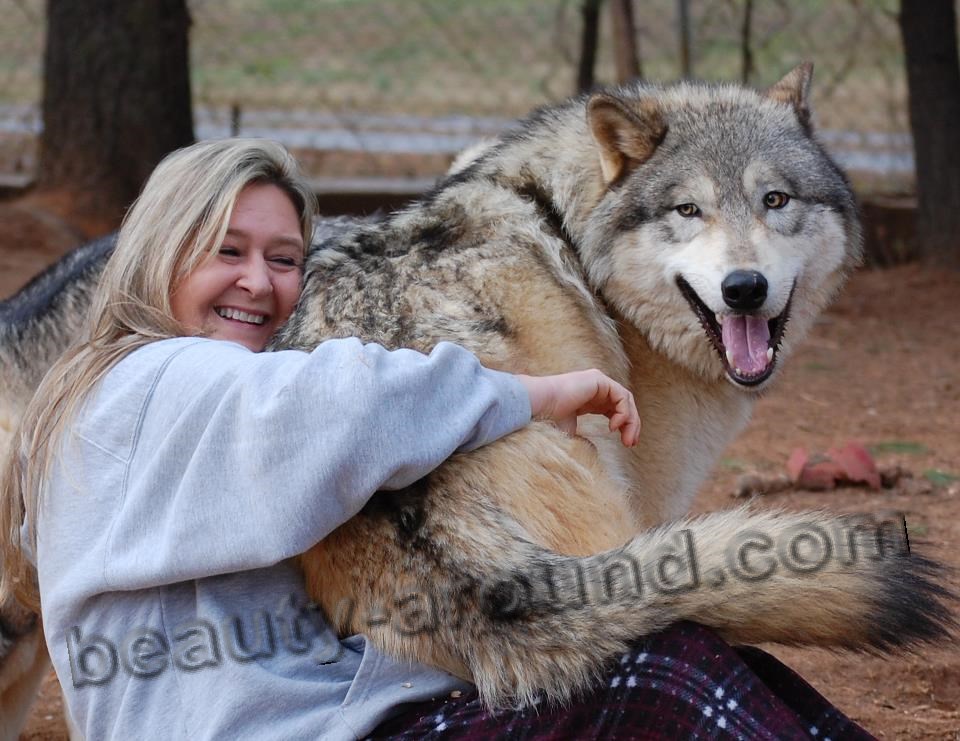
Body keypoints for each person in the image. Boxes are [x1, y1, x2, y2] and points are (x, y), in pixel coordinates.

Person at [0, 139, 873, 741]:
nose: (262, 285)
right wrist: (532, 391)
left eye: (285, 258)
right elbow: (343, 405)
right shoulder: (161, 380)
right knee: (662, 683)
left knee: (680, 666)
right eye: (226, 252)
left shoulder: (102, 397)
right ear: (158, 253)